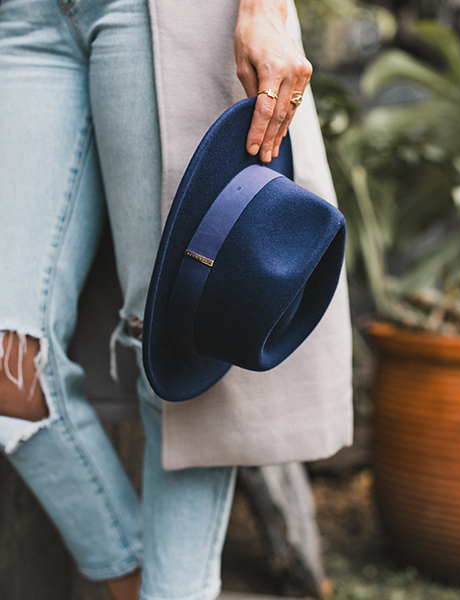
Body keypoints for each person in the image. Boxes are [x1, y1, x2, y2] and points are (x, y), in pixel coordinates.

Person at [0, 0, 353, 599]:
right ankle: (133, 576)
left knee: (175, 338)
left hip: (154, 14)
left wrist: (265, 9)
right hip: (23, 24)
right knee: (12, 365)